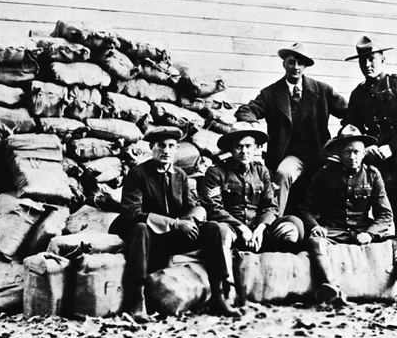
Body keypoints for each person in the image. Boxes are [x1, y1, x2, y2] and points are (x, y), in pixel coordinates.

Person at [110, 126, 241, 323]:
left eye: (171, 146)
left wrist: (191, 219)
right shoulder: (138, 174)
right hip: (146, 238)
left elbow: (192, 205)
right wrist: (175, 223)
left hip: (171, 237)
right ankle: (138, 301)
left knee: (213, 228)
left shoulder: (180, 175)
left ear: (177, 148)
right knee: (140, 228)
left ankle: (218, 295)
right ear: (152, 148)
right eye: (161, 145)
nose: (166, 150)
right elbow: (132, 212)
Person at [298, 125, 397, 309]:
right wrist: (314, 226)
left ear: (363, 153)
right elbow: (305, 207)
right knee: (314, 242)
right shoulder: (325, 174)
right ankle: (332, 289)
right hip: (333, 231)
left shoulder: (373, 175)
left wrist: (370, 233)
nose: (352, 157)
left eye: (357, 152)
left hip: (362, 230)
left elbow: (385, 215)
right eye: (347, 152)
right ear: (339, 153)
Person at [235, 42, 347, 216]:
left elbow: (348, 113)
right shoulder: (271, 93)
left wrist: (343, 137)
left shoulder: (322, 90)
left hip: (319, 154)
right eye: (291, 62)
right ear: (284, 64)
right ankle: (274, 221)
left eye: (300, 63)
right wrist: (255, 125)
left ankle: (333, 226)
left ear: (305, 66)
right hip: (290, 156)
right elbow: (246, 110)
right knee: (283, 173)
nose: (296, 67)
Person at [343, 36, 397, 244]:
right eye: (363, 61)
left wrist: (391, 147)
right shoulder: (358, 93)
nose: (367, 64)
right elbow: (351, 127)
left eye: (371, 59)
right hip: (376, 162)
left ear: (383, 59)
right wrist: (364, 148)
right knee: (379, 212)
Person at [199, 122, 305, 255]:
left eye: (248, 146)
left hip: (258, 232)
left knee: (293, 224)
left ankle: (278, 264)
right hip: (232, 229)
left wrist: (260, 229)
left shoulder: (261, 171)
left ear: (255, 148)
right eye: (239, 147)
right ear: (231, 149)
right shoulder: (216, 172)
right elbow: (213, 208)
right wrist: (241, 228)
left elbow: (270, 206)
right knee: (220, 231)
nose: (244, 151)